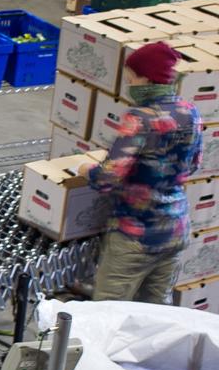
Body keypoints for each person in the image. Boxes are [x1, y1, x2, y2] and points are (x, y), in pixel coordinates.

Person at [82, 41, 201, 304]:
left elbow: (106, 179)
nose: (130, 85)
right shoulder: (190, 112)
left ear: (147, 78)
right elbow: (193, 164)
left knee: (108, 313)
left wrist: (87, 170)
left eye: (132, 78)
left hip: (136, 233)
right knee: (155, 316)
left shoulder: (140, 118)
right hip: (175, 228)